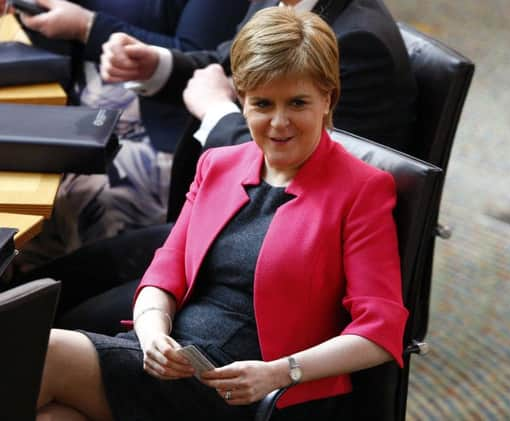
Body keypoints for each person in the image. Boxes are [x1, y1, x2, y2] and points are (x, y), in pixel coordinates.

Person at [36, 8, 407, 420]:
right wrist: (152, 332)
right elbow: (165, 271)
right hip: (180, 364)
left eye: (297, 102)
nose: (279, 122)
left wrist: (279, 373)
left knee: (42, 353)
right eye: (263, 104)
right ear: (242, 102)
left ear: (328, 99)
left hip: (256, 391)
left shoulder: (362, 189)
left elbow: (380, 329)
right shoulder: (219, 163)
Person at [100, 0, 417, 219]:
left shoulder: (359, 44)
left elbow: (306, 179)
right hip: (222, 214)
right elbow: (228, 64)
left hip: (276, 256)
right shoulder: (283, 2)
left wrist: (217, 114)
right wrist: (157, 66)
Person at [11, 0, 248, 272]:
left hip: (163, 133)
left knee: (76, 196)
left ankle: (51, 297)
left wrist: (87, 27)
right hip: (78, 110)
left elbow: (212, 64)